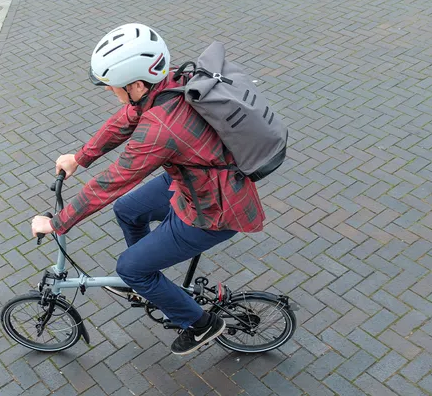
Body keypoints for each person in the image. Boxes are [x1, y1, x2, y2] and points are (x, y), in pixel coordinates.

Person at [29, 23, 265, 355]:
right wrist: (80, 158)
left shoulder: (161, 128)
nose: (110, 91)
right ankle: (147, 281)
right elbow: (125, 119)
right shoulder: (169, 83)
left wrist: (58, 223)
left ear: (137, 84)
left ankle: (201, 324)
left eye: (113, 86)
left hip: (212, 210)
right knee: (127, 210)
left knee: (129, 267)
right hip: (193, 181)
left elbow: (113, 181)